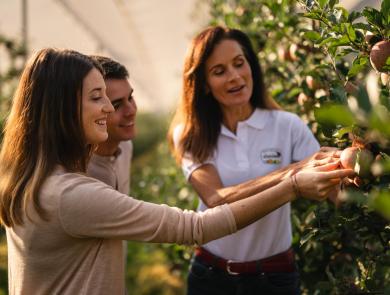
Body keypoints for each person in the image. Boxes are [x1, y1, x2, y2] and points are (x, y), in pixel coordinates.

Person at [0, 48, 352, 295]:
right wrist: (292, 184)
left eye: (121, 98)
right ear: (63, 110)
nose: (110, 108)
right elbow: (196, 226)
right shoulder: (70, 195)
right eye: (98, 97)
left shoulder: (37, 176)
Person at [168, 26, 340, 294]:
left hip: (274, 277)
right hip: (211, 276)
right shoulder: (191, 134)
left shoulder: (287, 126)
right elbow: (216, 199)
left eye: (239, 63)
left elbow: (337, 191)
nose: (235, 76)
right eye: (219, 71)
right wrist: (294, 172)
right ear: (203, 83)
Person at [87, 55, 136, 196]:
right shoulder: (79, 171)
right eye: (117, 105)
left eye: (130, 98)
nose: (131, 111)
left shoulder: (125, 146)